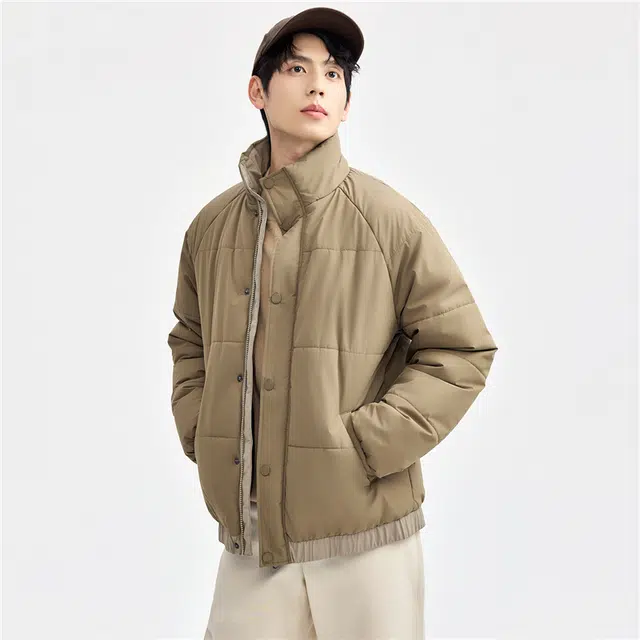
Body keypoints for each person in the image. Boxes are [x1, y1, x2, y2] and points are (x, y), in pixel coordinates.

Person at [167, 7, 498, 639]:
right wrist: (204, 429)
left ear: (345, 105)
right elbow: (191, 340)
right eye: (297, 69)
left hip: (366, 538)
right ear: (258, 91)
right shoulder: (211, 228)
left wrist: (368, 445)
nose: (318, 85)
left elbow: (462, 349)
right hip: (253, 535)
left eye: (334, 74)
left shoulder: (388, 220)